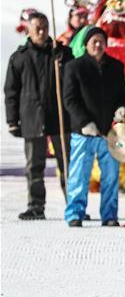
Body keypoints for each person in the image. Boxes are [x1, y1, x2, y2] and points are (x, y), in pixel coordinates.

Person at [5, 12, 72, 220]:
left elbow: (73, 82)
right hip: (32, 117)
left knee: (67, 164)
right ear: (29, 30)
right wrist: (12, 120)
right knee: (34, 165)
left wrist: (63, 62)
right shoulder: (20, 57)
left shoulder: (61, 53)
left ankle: (74, 205)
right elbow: (11, 91)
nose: (42, 32)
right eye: (38, 28)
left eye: (45, 27)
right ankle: (36, 205)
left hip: (60, 118)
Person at [63, 26, 125, 227]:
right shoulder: (74, 67)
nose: (98, 45)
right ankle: (75, 213)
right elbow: (70, 99)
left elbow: (123, 94)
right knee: (79, 175)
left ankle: (110, 215)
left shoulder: (116, 67)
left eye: (102, 41)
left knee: (110, 176)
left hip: (110, 133)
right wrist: (84, 122)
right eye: (94, 41)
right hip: (83, 133)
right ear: (86, 44)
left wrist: (121, 109)